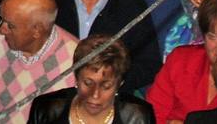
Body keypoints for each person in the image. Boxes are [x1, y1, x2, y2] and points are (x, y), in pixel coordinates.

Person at [0, 0, 77, 124]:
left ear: (37, 31)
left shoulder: (74, 62)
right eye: (3, 20)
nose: (2, 30)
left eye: (10, 25)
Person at [26, 35, 155, 124]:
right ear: (76, 78)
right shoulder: (46, 109)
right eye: (88, 83)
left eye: (106, 86)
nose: (95, 95)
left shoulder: (138, 117)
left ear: (119, 84)